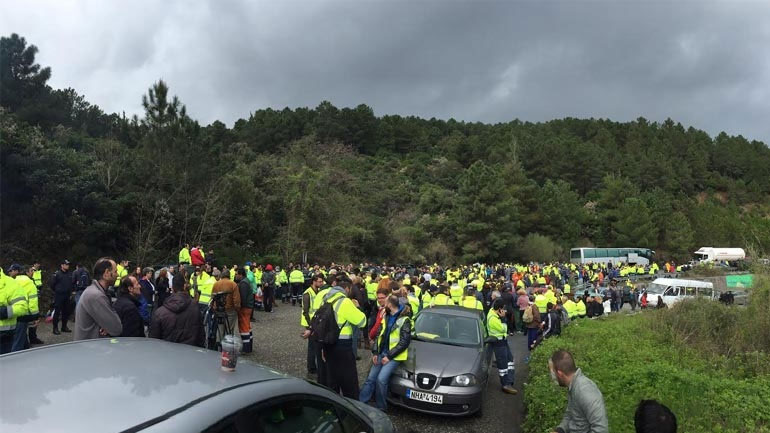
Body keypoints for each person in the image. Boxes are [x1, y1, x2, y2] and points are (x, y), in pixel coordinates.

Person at [359, 294, 412, 410]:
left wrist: (389, 356)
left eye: (385, 303)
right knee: (371, 379)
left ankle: (381, 407)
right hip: (382, 353)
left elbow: (404, 342)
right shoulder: (387, 316)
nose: (383, 304)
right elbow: (379, 335)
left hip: (394, 357)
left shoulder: (405, 320)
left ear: (390, 305)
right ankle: (361, 403)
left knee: (381, 380)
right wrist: (375, 352)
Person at [319, 278, 367, 399]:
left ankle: (333, 404)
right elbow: (362, 322)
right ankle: (351, 406)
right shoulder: (344, 302)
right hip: (343, 346)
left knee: (332, 379)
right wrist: (357, 307)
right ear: (347, 289)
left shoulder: (326, 299)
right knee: (349, 381)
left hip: (328, 343)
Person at [549, 350, 608, 433]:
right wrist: (560, 430)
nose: (552, 377)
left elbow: (601, 429)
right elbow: (571, 414)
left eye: (553, 373)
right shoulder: (573, 386)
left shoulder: (585, 391)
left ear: (560, 374)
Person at [74, 258, 123, 340]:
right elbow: (116, 329)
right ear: (106, 273)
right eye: (115, 271)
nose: (117, 275)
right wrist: (108, 326)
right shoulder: (96, 296)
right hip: (90, 346)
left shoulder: (95, 291)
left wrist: (107, 326)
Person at [149, 276, 205, 347]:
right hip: (190, 351)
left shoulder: (160, 313)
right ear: (184, 286)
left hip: (167, 352)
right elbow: (201, 335)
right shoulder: (195, 307)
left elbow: (153, 341)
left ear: (172, 288)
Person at [487, 299, 517, 394]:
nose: (505, 310)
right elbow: (504, 328)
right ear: (499, 309)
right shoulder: (493, 319)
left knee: (510, 360)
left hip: (503, 342)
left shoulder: (495, 314)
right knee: (503, 365)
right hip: (498, 343)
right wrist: (503, 318)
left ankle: (510, 380)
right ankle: (505, 385)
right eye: (503, 309)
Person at [209, 271, 241, 348]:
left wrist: (214, 308)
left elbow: (212, 297)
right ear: (229, 275)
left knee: (220, 329)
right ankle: (227, 347)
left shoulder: (216, 284)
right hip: (230, 310)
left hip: (218, 310)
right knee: (229, 330)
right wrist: (237, 309)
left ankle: (219, 345)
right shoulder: (233, 284)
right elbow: (236, 300)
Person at [300, 274, 325, 374]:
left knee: (314, 345)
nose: (321, 283)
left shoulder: (317, 291)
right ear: (314, 282)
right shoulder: (307, 293)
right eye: (319, 281)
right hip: (310, 322)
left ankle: (313, 366)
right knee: (312, 345)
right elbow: (306, 311)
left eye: (322, 281)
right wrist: (311, 326)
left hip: (315, 322)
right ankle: (311, 368)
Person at [13, 265, 40, 350]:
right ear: (27, 272)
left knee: (21, 335)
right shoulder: (30, 283)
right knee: (18, 340)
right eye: (31, 271)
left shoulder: (13, 281)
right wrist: (35, 317)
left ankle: (26, 349)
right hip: (25, 314)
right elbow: (33, 302)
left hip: (14, 312)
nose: (33, 273)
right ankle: (18, 355)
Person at [49, 259, 74, 335]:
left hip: (67, 295)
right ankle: (55, 328)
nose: (67, 266)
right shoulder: (57, 274)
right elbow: (52, 285)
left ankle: (64, 327)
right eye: (66, 264)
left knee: (66, 312)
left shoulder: (70, 274)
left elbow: (71, 283)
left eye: (68, 264)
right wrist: (58, 290)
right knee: (57, 312)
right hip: (59, 295)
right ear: (62, 265)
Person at [235, 268, 254, 353]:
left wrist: (239, 307)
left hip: (245, 308)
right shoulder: (246, 281)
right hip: (248, 307)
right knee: (247, 327)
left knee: (244, 327)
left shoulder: (243, 283)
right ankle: (249, 346)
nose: (236, 276)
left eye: (237, 274)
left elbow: (243, 297)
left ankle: (246, 349)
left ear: (241, 274)